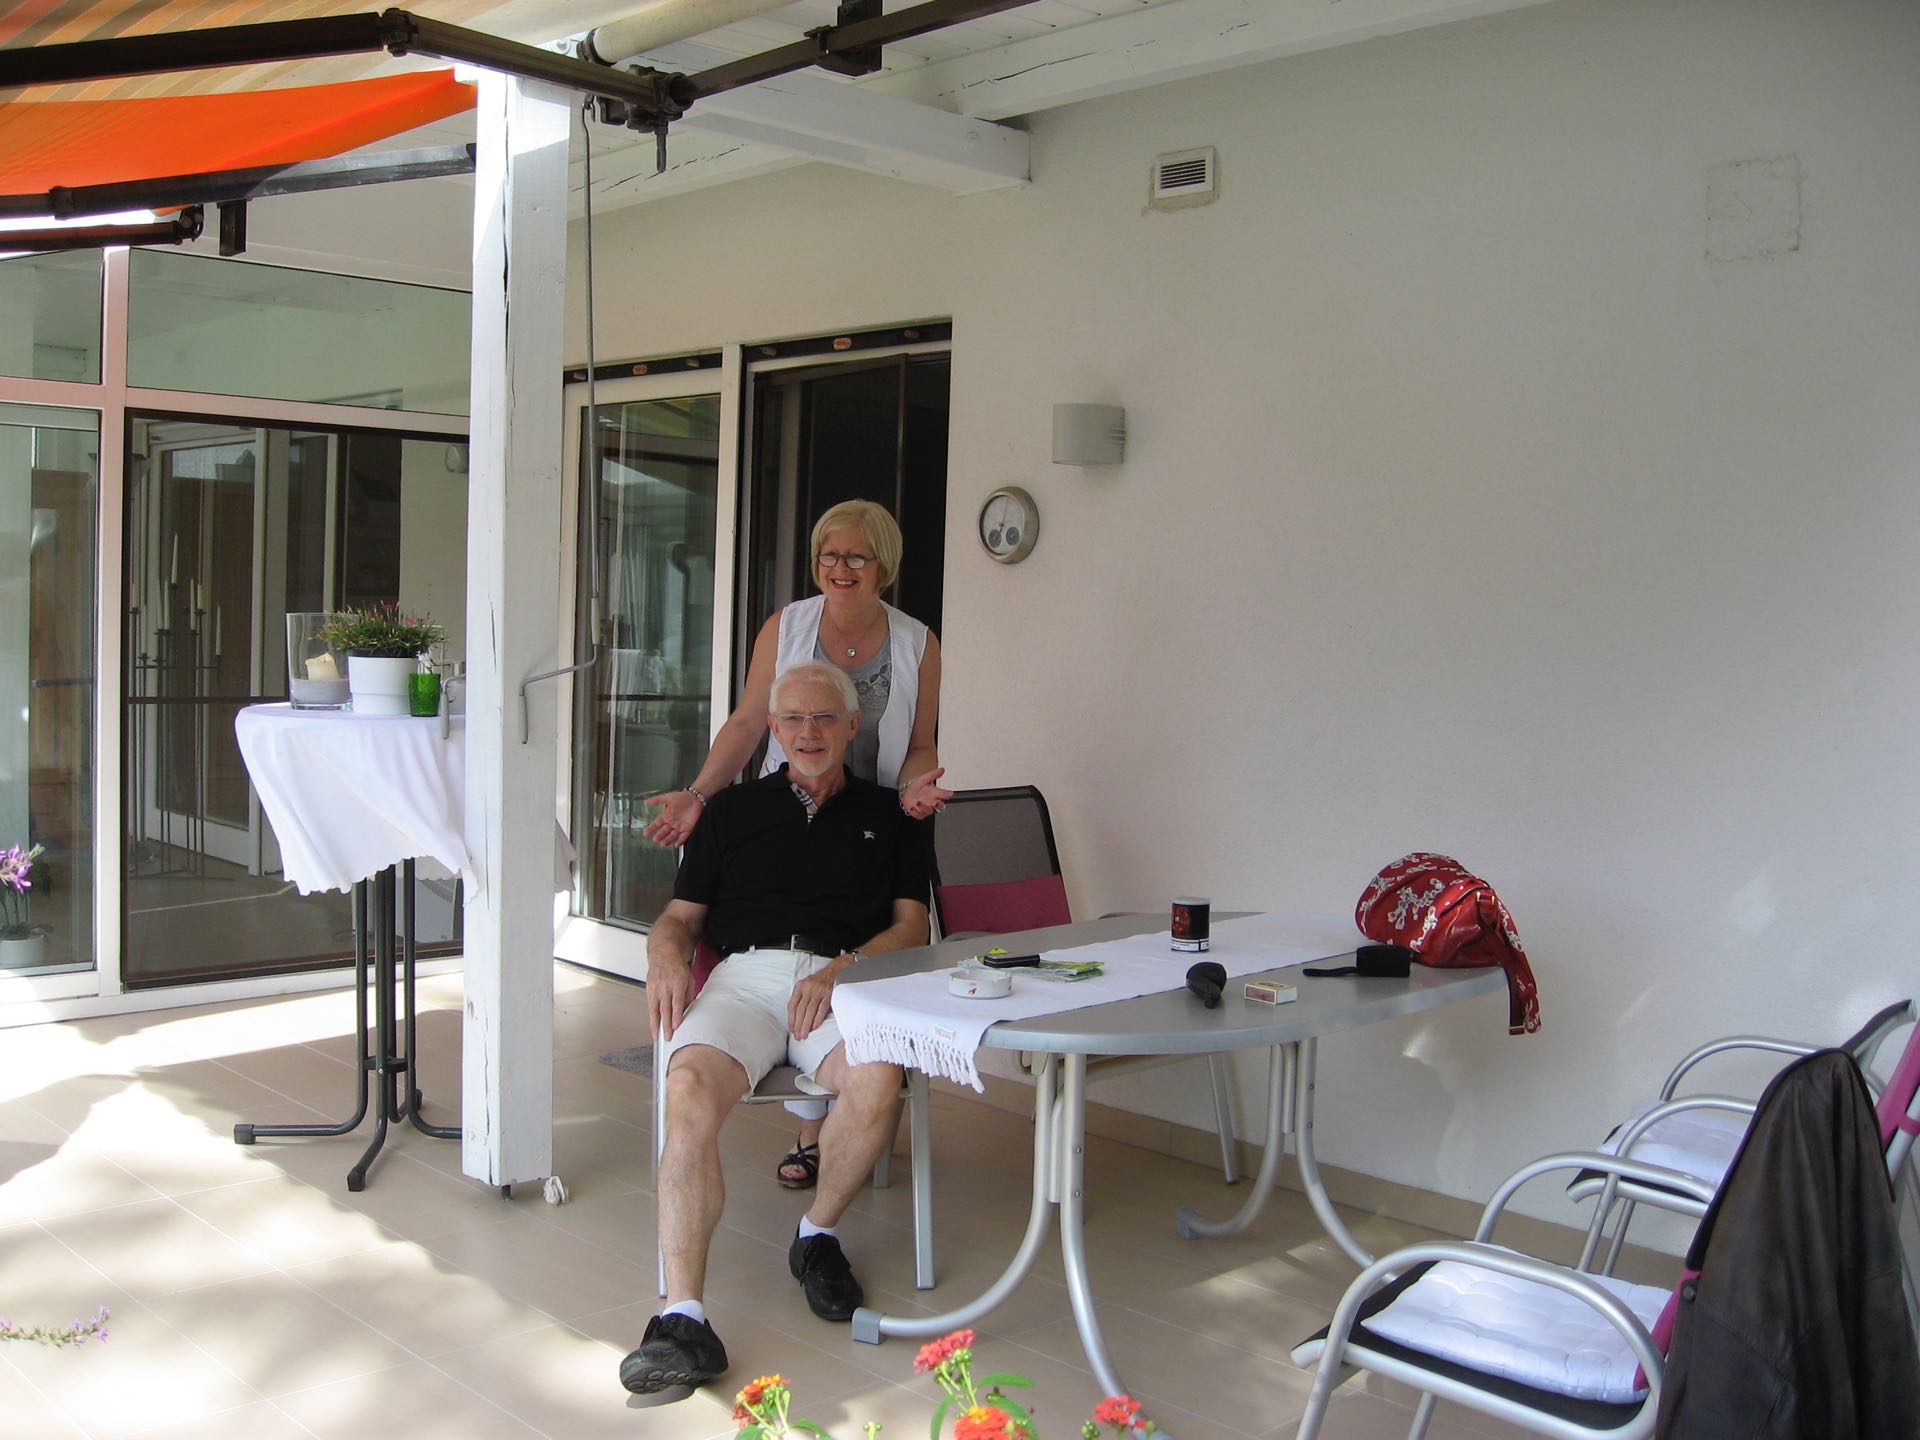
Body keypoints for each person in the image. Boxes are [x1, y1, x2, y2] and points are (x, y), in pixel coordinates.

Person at [619, 660, 932, 1396]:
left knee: (876, 1077)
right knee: (688, 1086)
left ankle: (816, 1236)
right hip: (746, 978)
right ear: (773, 729)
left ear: (852, 726)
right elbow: (680, 919)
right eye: (792, 718)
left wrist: (844, 968)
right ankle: (683, 1318)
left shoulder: (891, 814)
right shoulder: (730, 812)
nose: (808, 732)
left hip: (843, 977)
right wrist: (663, 955)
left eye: (823, 718)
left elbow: (912, 927)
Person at [643, 499, 952, 1188]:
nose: (841, 568)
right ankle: (822, 1129)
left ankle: (838, 1131)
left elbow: (921, 741)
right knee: (793, 924)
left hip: (879, 814)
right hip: (795, 802)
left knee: (858, 947)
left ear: (883, 566)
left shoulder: (917, 643)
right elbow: (750, 721)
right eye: (829, 556)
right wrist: (700, 795)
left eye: (857, 556)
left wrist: (913, 792)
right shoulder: (787, 627)